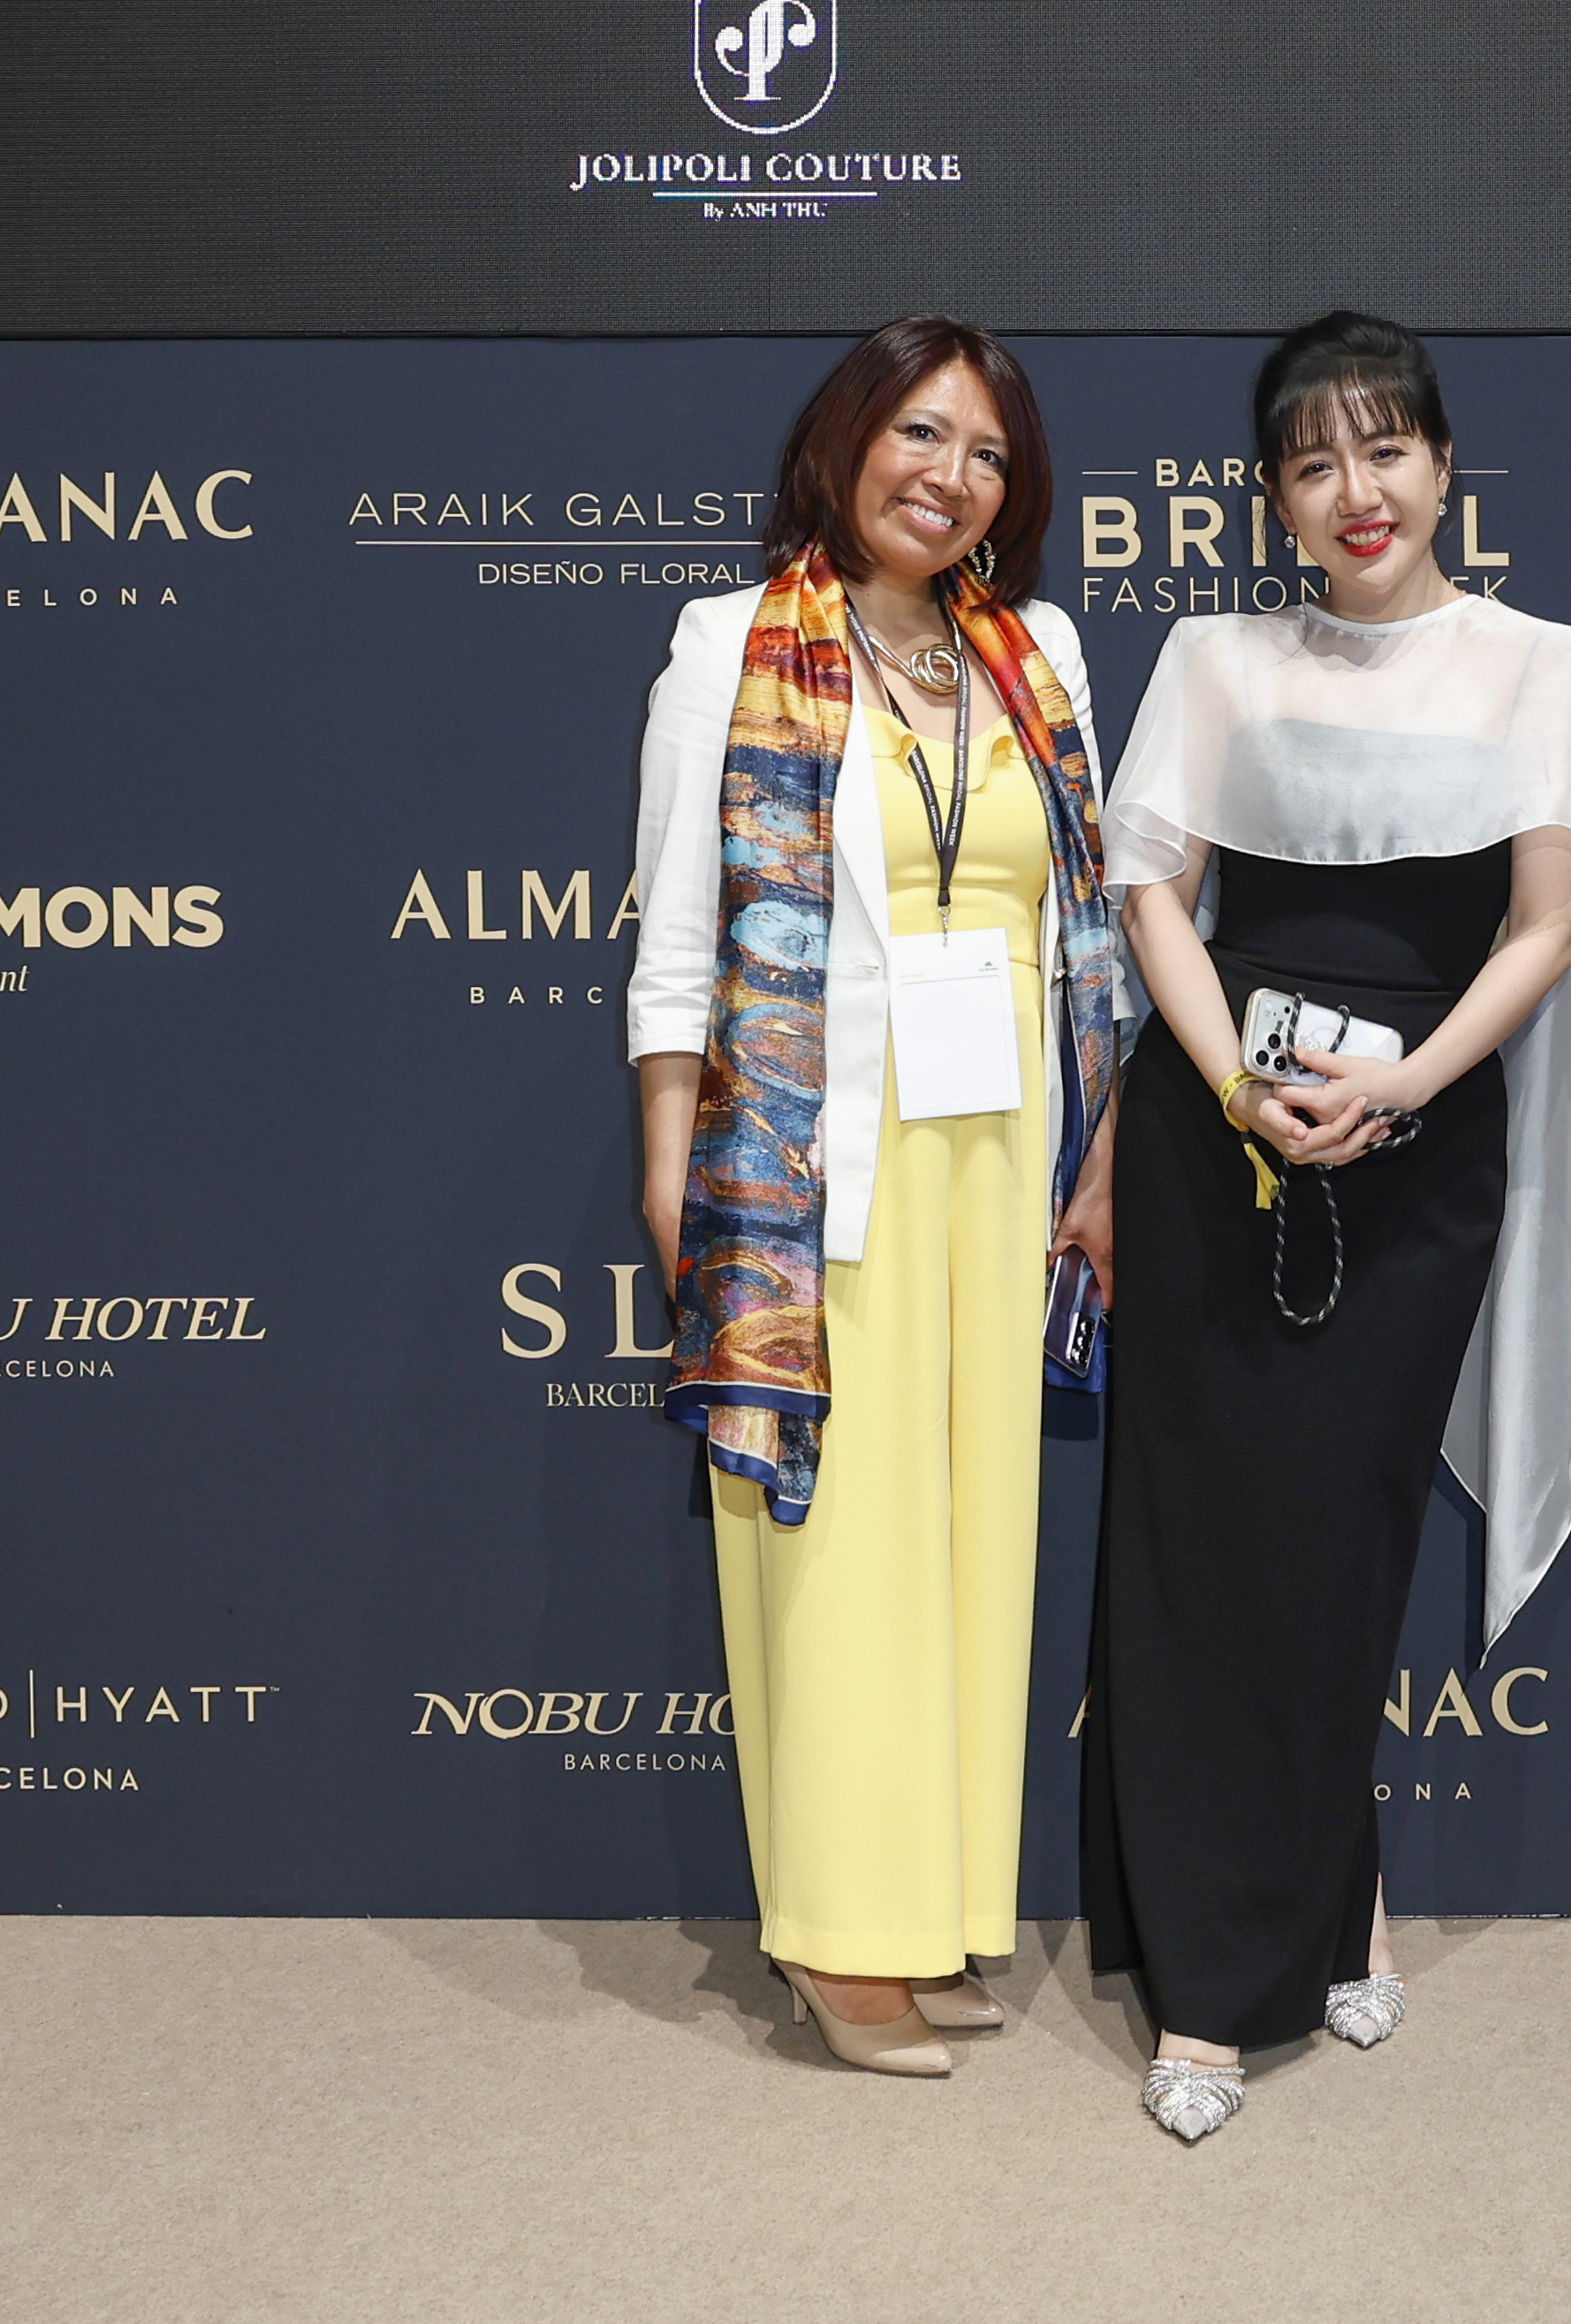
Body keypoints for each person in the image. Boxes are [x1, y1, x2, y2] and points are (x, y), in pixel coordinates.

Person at [1084, 312, 1571, 2143]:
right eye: (1312, 463)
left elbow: (1548, 925)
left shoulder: (1553, 670)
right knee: (1201, 1545)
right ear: (1272, 497)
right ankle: (1213, 1984)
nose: (1356, 492)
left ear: (1443, 463)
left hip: (1419, 1150)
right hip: (1219, 1135)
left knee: (1342, 1538)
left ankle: (1331, 1888)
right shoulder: (1214, 657)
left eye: (1386, 449)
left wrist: (1402, 1085)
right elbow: (1154, 891)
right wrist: (1232, 1085)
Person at [625, 319, 1129, 2079]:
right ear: (845, 439)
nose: (950, 475)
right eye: (921, 432)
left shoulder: (1038, 652)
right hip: (815, 1172)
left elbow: (1082, 931)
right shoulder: (730, 645)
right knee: (840, 1553)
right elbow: (681, 942)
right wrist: (675, 1173)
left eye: (987, 452)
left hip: (1000, 1163)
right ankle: (842, 1941)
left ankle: (928, 1913)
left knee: (973, 1548)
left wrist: (1099, 1156)